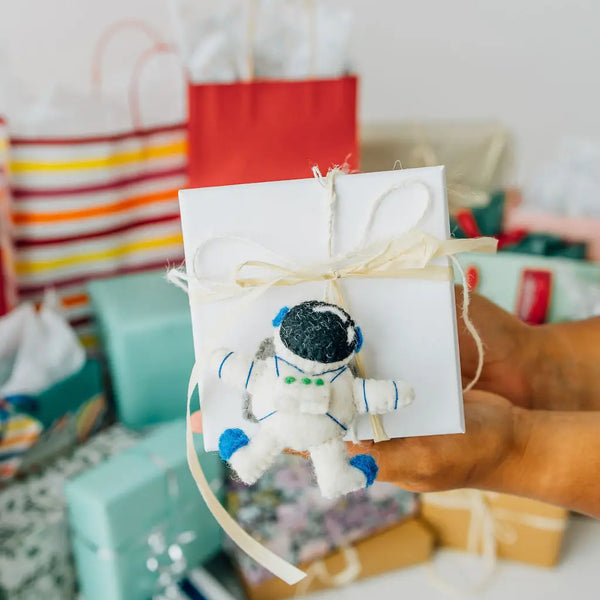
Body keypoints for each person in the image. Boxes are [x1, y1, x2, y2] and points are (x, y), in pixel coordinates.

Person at [191, 288, 600, 517]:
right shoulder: (304, 378)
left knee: (300, 452)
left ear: (278, 323)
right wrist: (535, 362)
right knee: (312, 456)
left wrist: (514, 449)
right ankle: (261, 462)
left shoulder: (284, 376)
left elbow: (237, 368)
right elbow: (370, 395)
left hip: (303, 424)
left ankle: (254, 461)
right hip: (319, 428)